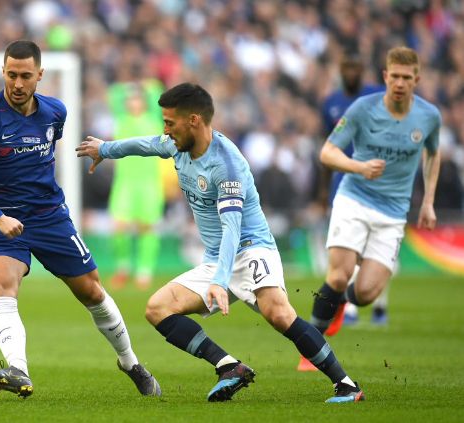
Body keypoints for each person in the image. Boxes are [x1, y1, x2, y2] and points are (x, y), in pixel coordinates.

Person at [77, 82, 365, 403]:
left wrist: (219, 280)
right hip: (217, 256)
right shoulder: (178, 144)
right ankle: (229, 367)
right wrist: (105, 149)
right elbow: (146, 145)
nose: (165, 130)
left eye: (170, 123)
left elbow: (232, 227)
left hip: (250, 247)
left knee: (279, 314)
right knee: (158, 308)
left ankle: (347, 385)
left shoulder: (226, 166)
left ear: (194, 121)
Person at [0, 40, 160, 399]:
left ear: (39, 75)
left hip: (50, 218)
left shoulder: (55, 112)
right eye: (11, 75)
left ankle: (131, 363)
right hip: (3, 221)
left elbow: (45, 154)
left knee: (92, 291)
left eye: (25, 76)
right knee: (0, 283)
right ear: (3, 72)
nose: (17, 84)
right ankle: (18, 369)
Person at [307, 46, 441, 353]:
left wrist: (428, 201)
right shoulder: (362, 109)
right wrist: (359, 167)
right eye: (394, 76)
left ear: (416, 79)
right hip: (354, 198)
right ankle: (310, 345)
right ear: (385, 76)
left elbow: (434, 153)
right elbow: (326, 152)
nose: (400, 83)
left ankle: (340, 303)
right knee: (339, 275)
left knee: (366, 293)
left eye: (406, 77)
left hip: (393, 212)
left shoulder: (429, 116)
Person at [318, 55, 388, 332]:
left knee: (375, 247)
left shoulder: (375, 96)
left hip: (373, 178)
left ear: (362, 69)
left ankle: (379, 304)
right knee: (348, 246)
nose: (351, 72)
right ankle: (351, 310)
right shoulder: (330, 103)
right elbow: (326, 146)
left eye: (355, 67)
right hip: (342, 180)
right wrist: (322, 191)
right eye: (346, 66)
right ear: (340, 69)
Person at [106, 82, 166, 290]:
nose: (133, 101)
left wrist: (144, 85)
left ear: (144, 101)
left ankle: (144, 271)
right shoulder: (121, 120)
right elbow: (113, 93)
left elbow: (157, 93)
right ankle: (122, 268)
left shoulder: (154, 121)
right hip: (125, 183)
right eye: (130, 98)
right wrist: (130, 86)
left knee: (146, 228)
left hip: (149, 183)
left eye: (137, 98)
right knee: (119, 226)